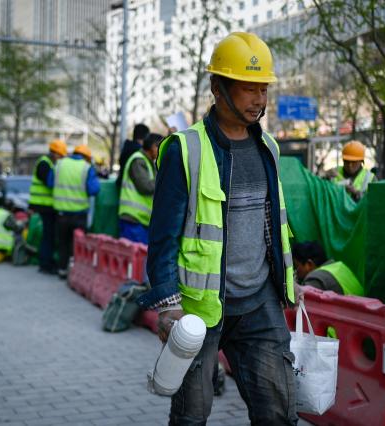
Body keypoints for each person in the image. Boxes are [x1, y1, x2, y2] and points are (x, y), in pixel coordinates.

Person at [137, 32, 299, 425]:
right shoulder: (184, 148)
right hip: (200, 309)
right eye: (248, 88)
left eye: (263, 89)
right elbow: (162, 238)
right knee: (192, 414)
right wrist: (167, 304)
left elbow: (273, 225)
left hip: (260, 302)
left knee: (278, 413)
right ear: (216, 87)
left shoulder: (269, 149)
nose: (259, 100)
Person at [53, 145, 100, 278]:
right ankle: (74, 271)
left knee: (62, 242)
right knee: (77, 244)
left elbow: (50, 182)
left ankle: (61, 269)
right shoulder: (86, 167)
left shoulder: (59, 164)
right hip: (79, 214)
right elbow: (94, 190)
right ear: (86, 157)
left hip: (61, 213)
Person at [29, 139, 67, 274]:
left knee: (49, 234)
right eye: (60, 156)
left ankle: (47, 262)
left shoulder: (48, 163)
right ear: (55, 153)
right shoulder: (44, 163)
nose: (61, 159)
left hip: (47, 205)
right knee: (48, 234)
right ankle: (45, 264)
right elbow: (50, 182)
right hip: (44, 205)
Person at [118, 133, 163, 244]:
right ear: (152, 146)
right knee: (135, 259)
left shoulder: (147, 162)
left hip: (139, 220)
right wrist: (162, 176)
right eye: (159, 147)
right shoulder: (139, 160)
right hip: (133, 219)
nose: (161, 151)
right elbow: (145, 186)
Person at [292, 241, 364, 296]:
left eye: (296, 266)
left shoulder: (315, 279)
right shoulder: (339, 266)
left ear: (309, 264)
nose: (295, 271)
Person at [116, 123, 150, 190]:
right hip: (133, 193)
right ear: (146, 137)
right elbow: (144, 185)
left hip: (122, 189)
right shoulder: (139, 153)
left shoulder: (127, 148)